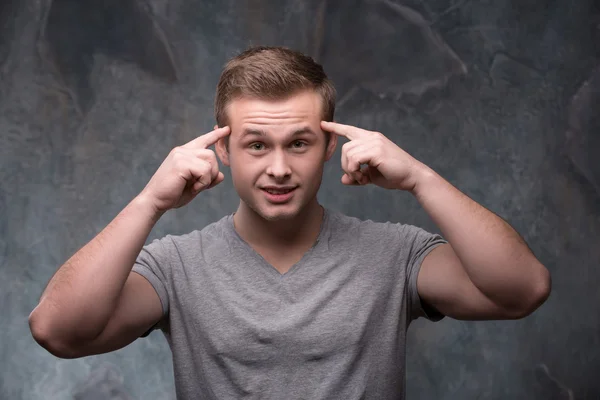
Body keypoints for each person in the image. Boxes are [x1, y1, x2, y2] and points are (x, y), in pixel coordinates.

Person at [29, 46, 551, 399]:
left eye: (298, 143)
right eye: (256, 144)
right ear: (223, 149)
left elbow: (523, 290)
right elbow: (57, 331)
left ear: (328, 146)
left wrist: (419, 178)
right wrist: (149, 202)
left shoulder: (396, 256)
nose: (278, 167)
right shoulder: (174, 267)